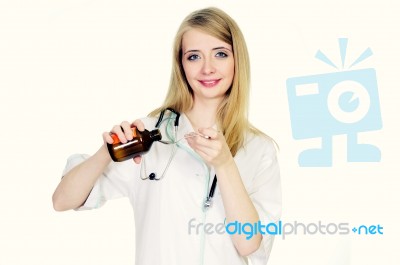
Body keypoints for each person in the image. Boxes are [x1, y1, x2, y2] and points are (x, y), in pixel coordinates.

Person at [52, 7, 281, 265]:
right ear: (181, 65)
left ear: (237, 59)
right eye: (194, 57)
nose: (208, 68)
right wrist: (107, 151)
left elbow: (249, 244)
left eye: (220, 54)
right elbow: (62, 200)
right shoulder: (147, 136)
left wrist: (225, 165)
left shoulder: (259, 149)